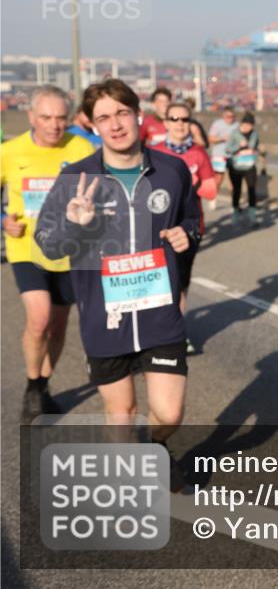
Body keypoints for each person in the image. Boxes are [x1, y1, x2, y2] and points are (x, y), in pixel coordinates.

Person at [34, 79, 200, 490]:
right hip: (105, 319)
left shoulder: (171, 170)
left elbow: (191, 219)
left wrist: (187, 234)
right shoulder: (75, 177)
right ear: (92, 125)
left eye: (122, 113)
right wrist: (74, 223)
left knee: (169, 413)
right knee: (121, 413)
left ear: (138, 115)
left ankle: (156, 445)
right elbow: (48, 244)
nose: (115, 125)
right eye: (104, 118)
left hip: (160, 313)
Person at [2, 85, 95, 423]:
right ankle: (31, 385)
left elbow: (103, 194)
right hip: (27, 248)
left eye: (61, 118)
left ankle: (42, 384)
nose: (54, 126)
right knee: (39, 317)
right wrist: (3, 220)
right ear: (31, 117)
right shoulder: (10, 152)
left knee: (58, 326)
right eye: (46, 118)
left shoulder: (82, 147)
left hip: (69, 252)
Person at [160, 101, 218, 353]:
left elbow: (211, 189)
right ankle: (154, 332)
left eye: (184, 119)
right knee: (159, 283)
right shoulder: (154, 152)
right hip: (158, 228)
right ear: (165, 123)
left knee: (180, 284)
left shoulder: (198, 154)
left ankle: (176, 333)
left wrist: (190, 182)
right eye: (174, 119)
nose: (179, 124)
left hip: (189, 227)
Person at [225, 113, 261, 227]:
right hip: (236, 166)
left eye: (250, 125)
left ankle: (252, 216)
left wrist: (257, 150)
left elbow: (256, 146)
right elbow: (228, 149)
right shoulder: (234, 134)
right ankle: (235, 212)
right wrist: (239, 146)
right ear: (242, 124)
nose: (248, 128)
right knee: (237, 190)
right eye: (246, 125)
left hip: (250, 165)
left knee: (251, 189)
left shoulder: (255, 134)